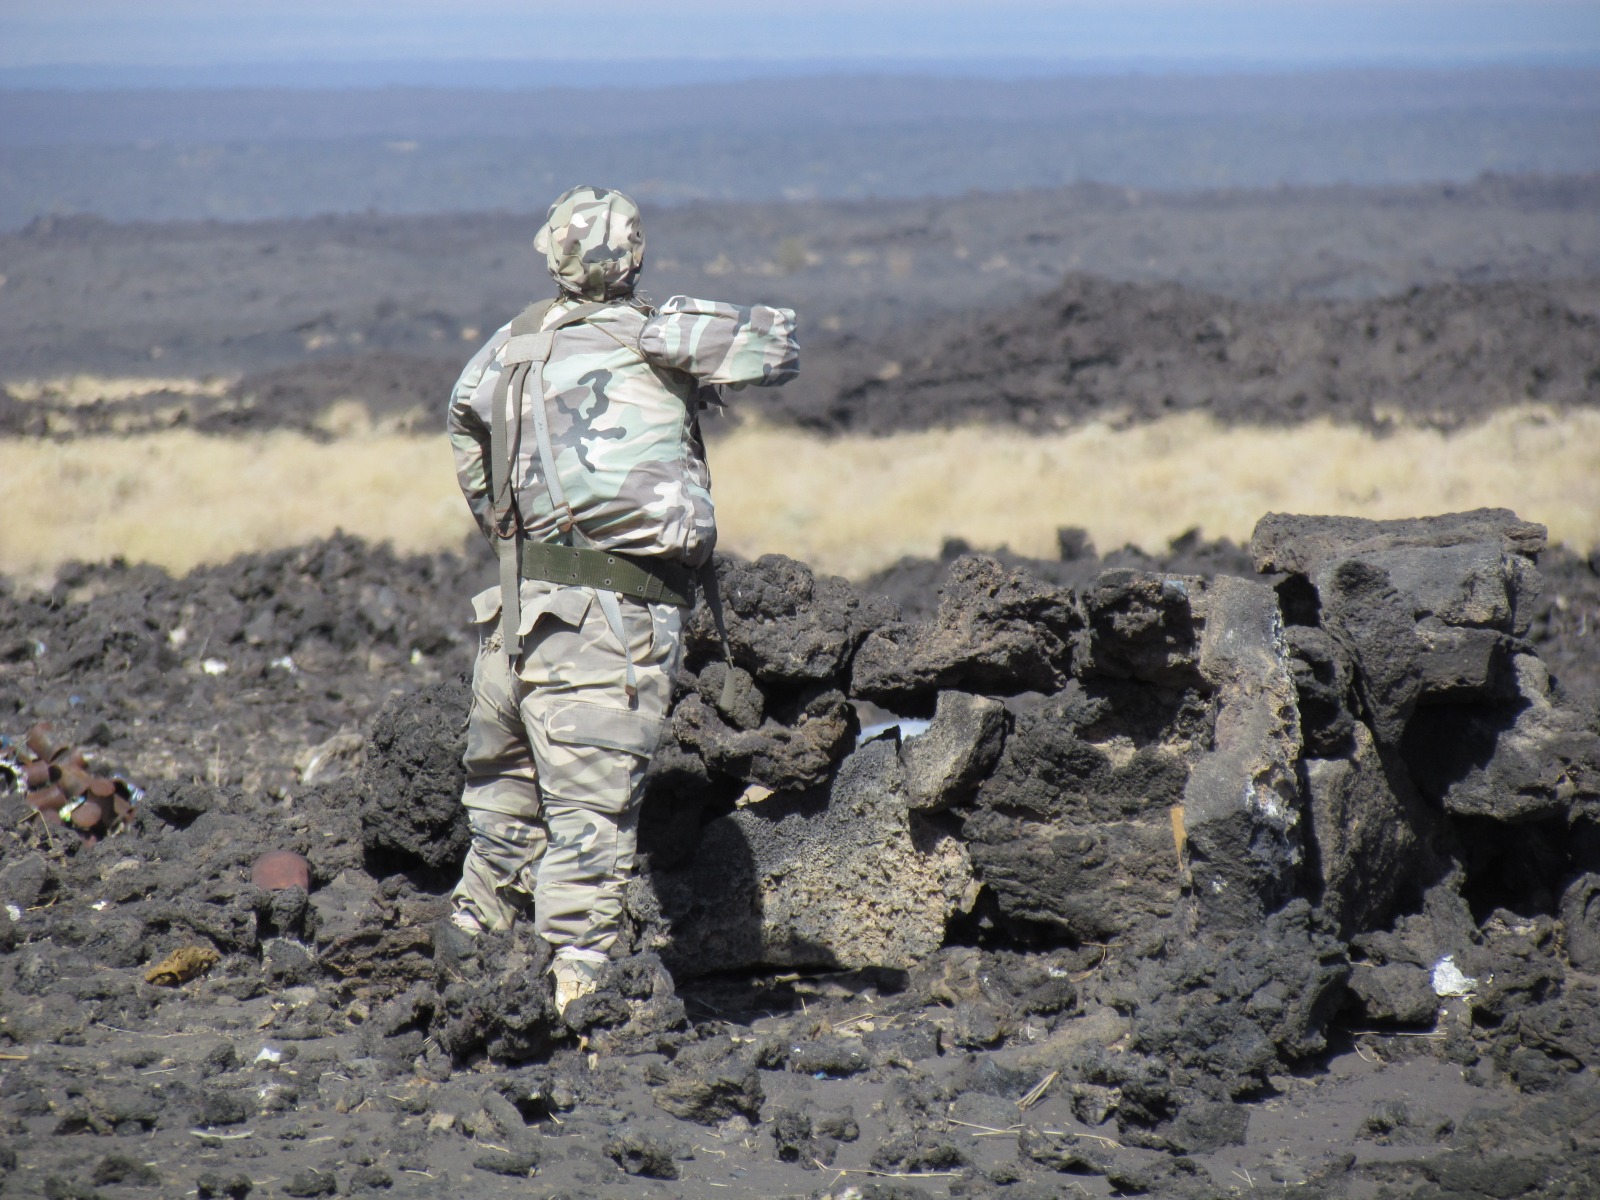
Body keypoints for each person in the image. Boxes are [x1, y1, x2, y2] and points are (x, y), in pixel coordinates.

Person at [444, 185, 798, 1017]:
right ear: (635, 257)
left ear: (552, 255)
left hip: (515, 617)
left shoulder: (506, 347)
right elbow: (777, 348)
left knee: (502, 821)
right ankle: (581, 1015)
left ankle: (463, 987)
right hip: (610, 624)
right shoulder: (658, 337)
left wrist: (515, 532)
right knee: (588, 834)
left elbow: (467, 438)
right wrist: (676, 320)